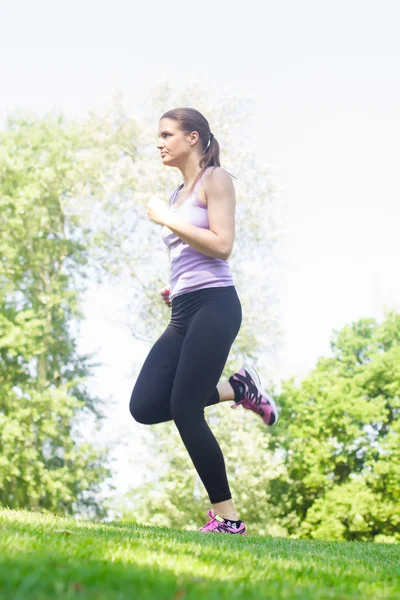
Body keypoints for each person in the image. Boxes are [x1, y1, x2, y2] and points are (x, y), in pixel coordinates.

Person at [129, 107, 279, 535]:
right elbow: (187, 256)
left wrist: (168, 220)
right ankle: (239, 387)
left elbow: (222, 245)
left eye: (166, 134)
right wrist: (174, 289)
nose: (159, 143)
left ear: (192, 137)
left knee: (185, 408)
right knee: (144, 406)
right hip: (185, 309)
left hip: (217, 305)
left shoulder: (216, 179)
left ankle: (228, 519)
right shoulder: (177, 194)